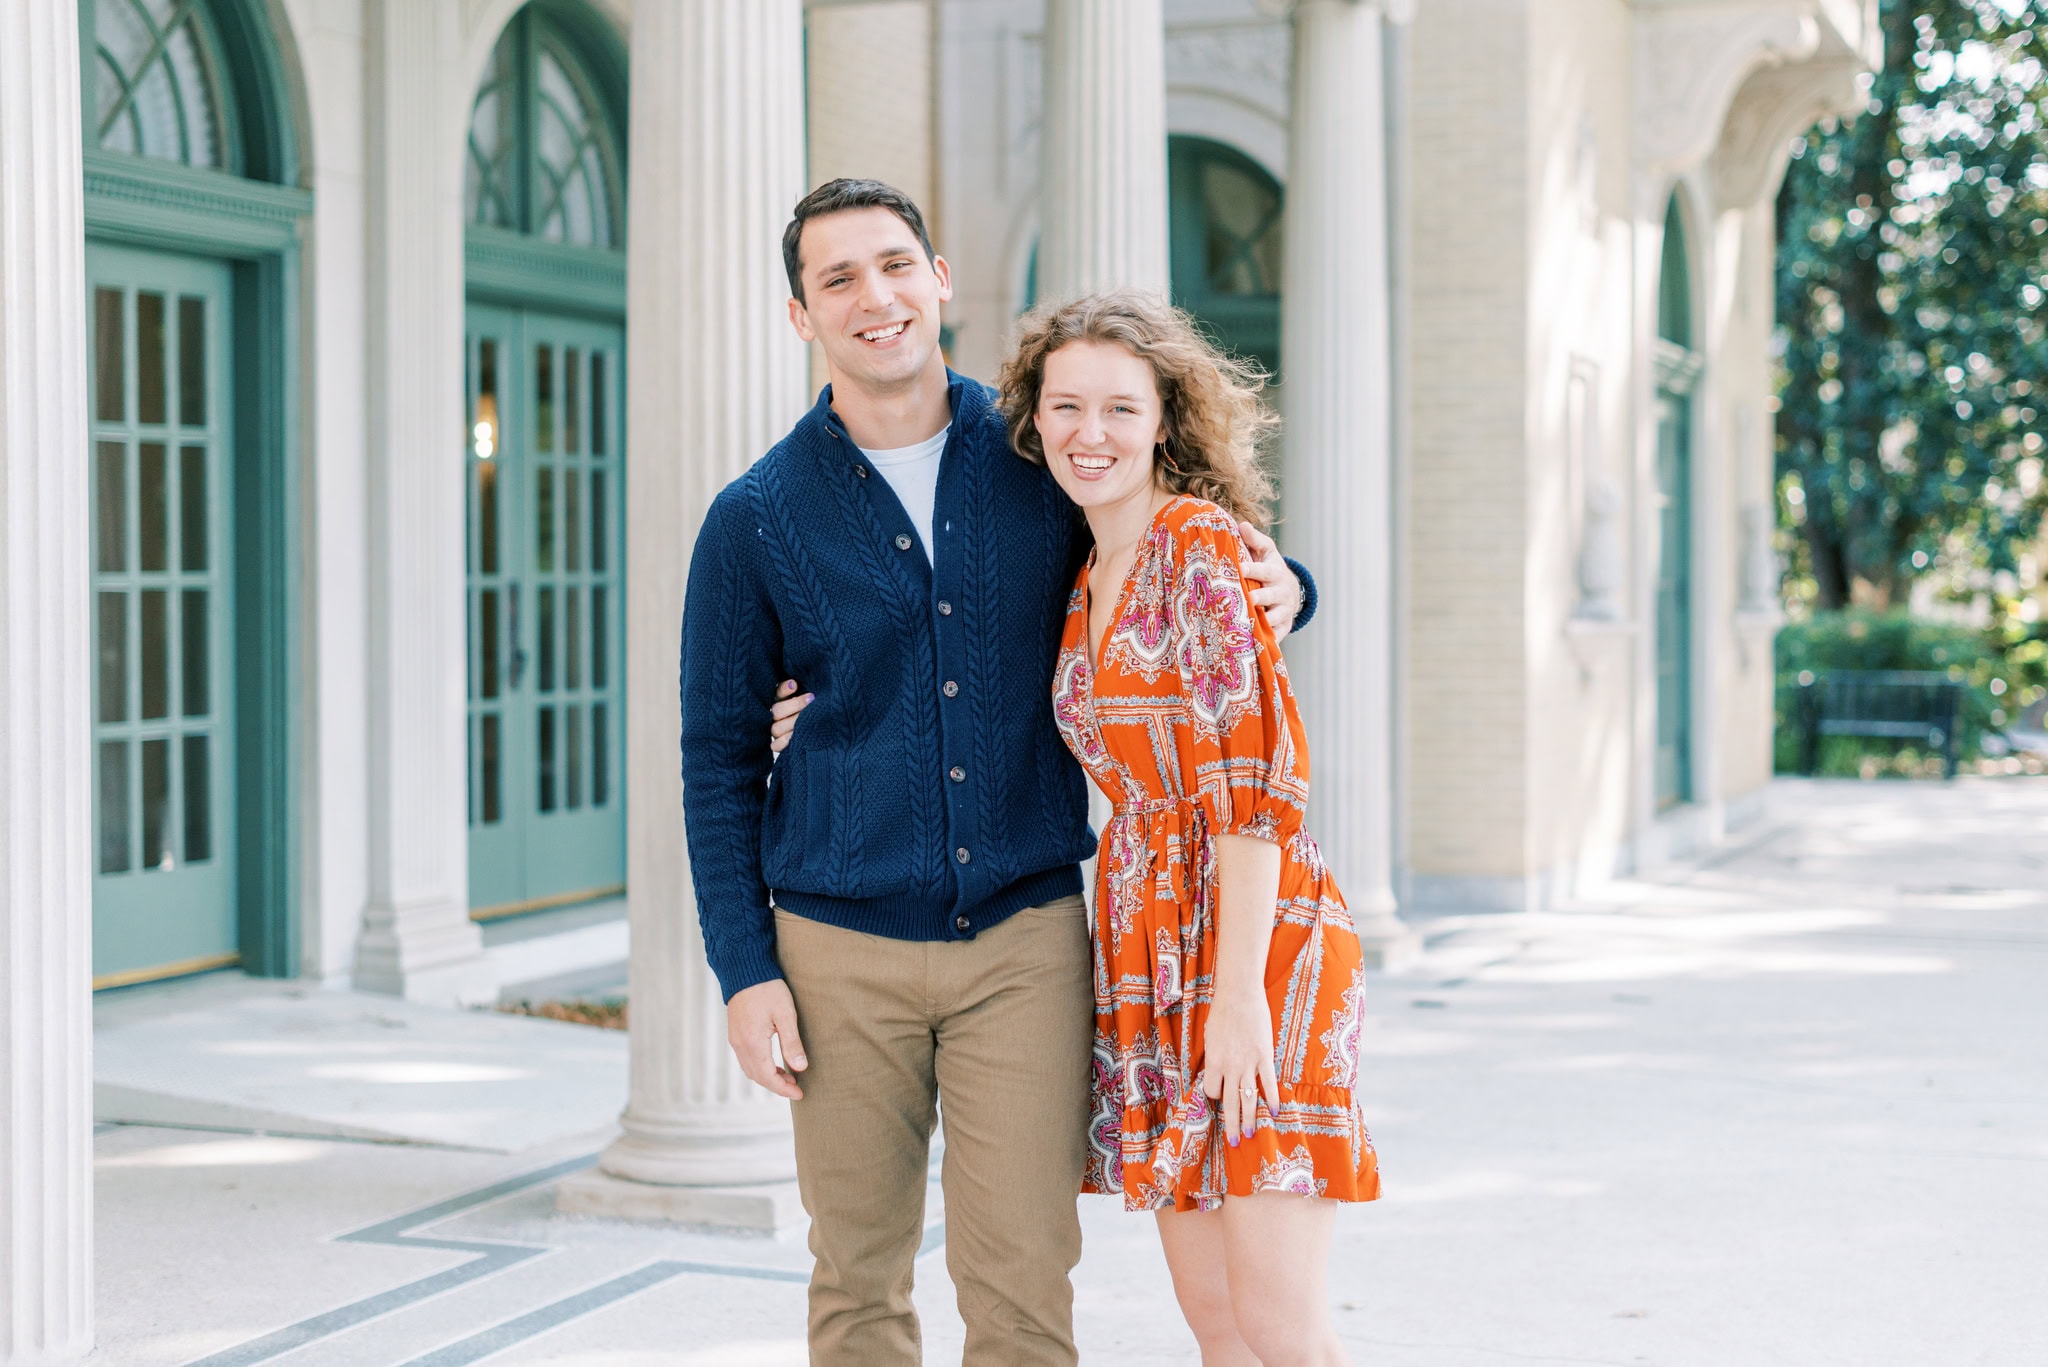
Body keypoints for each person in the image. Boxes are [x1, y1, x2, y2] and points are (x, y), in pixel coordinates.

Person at [679, 179, 1314, 1365]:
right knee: (855, 1281)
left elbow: (1183, 547)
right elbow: (714, 761)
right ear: (798, 313)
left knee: (1022, 1286)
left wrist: (1295, 585)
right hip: (834, 951)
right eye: (837, 279)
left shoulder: (1037, 455)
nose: (873, 297)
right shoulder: (754, 518)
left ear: (939, 281)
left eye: (892, 265)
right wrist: (742, 967)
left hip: (1025, 941)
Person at [996, 290, 1380, 1366]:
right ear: (1035, 421)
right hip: (1143, 950)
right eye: (1065, 406)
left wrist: (1237, 999)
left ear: (1164, 417)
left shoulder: (1199, 549)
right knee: (1213, 1318)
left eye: (1119, 408)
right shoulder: (1081, 576)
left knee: (1277, 1325)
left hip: (1251, 944)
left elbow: (1251, 789)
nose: (1089, 433)